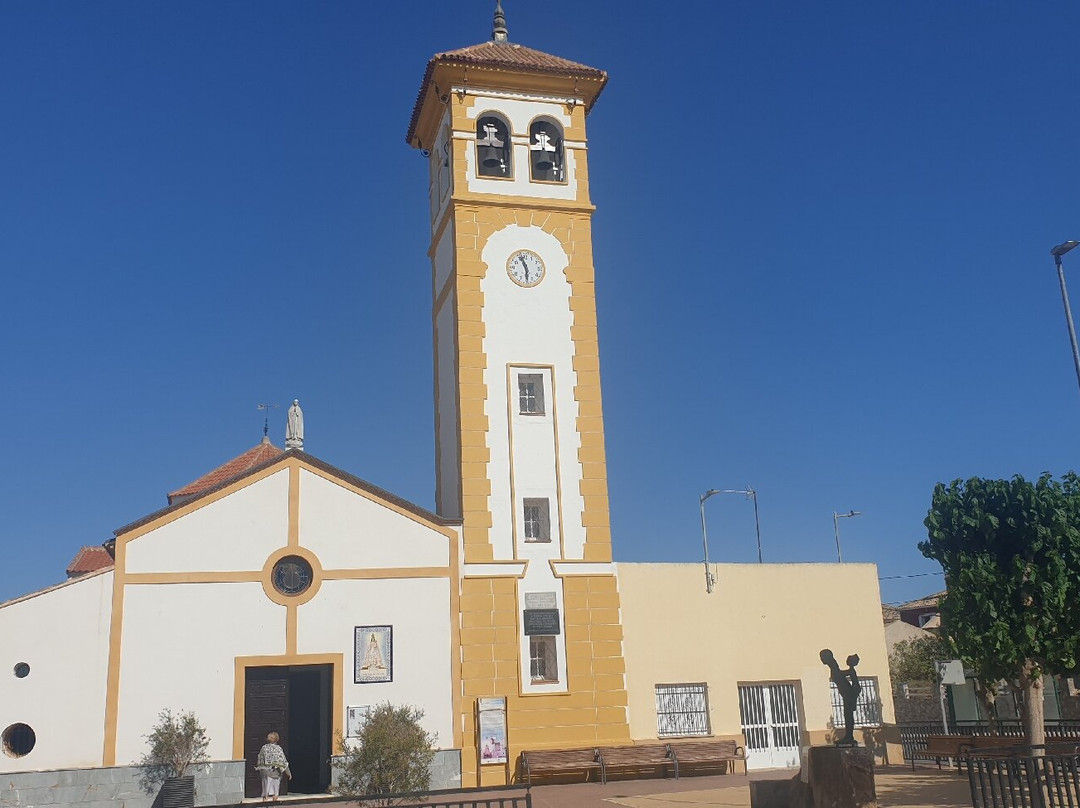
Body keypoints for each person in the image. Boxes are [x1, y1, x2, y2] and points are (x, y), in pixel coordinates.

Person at [256, 731, 291, 802]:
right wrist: (288, 773)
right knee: (275, 791)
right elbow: (282, 761)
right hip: (276, 773)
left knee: (266, 790)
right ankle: (274, 804)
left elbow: (260, 759)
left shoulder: (264, 748)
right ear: (277, 739)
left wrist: (261, 770)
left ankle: (264, 803)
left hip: (266, 773)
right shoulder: (278, 749)